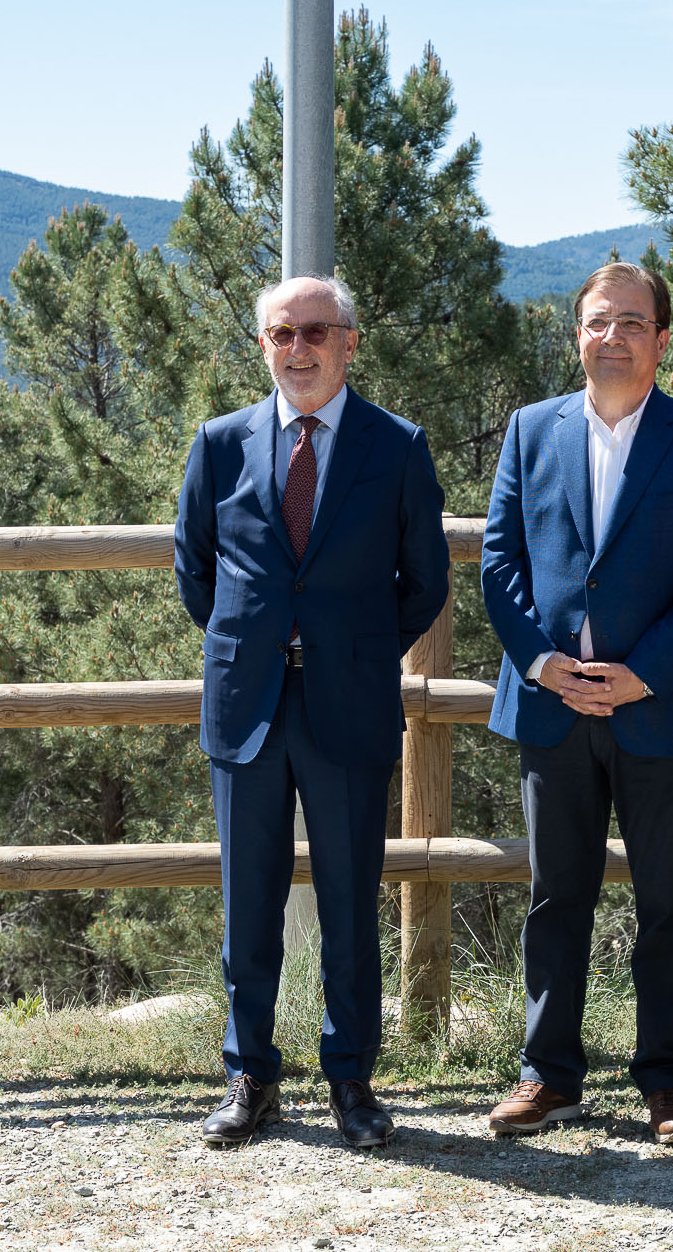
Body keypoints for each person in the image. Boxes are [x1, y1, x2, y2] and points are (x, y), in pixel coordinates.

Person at [173, 273, 451, 1150]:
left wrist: (349, 645)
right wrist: (260, 642)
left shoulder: (398, 446)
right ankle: (249, 1077)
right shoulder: (219, 444)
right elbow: (196, 570)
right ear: (262, 345)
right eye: (280, 335)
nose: (298, 349)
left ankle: (352, 1082)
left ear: (349, 342)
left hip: (348, 703)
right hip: (247, 703)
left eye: (315, 333)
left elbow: (424, 584)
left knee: (347, 906)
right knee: (245, 905)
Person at [478, 262, 673, 1146]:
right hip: (550, 704)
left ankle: (666, 1081)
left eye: (633, 323)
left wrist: (645, 673)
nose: (614, 337)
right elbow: (499, 563)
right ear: (577, 335)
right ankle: (547, 1077)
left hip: (658, 708)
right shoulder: (529, 429)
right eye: (599, 322)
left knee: (671, 900)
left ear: (661, 340)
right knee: (557, 895)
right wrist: (543, 662)